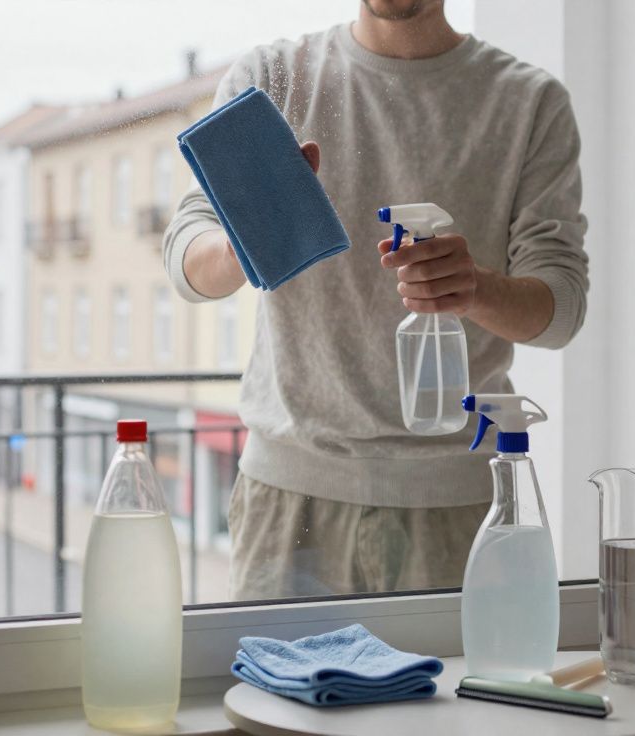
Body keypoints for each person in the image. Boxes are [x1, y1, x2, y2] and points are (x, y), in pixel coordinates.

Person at [163, 0, 589, 600]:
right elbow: (186, 257)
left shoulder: (527, 101)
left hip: (456, 505)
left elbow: (561, 307)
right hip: (289, 502)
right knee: (270, 698)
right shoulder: (274, 79)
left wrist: (474, 287)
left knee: (454, 696)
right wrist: (242, 244)